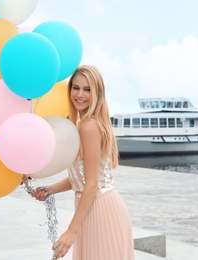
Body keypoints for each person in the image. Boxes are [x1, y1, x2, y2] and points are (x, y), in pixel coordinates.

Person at [32, 65, 135, 259]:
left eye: (87, 89)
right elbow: (81, 177)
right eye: (76, 88)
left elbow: (92, 184)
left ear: (97, 93)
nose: (80, 94)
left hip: (101, 209)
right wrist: (51, 189)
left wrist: (71, 231)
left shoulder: (88, 126)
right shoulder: (83, 124)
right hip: (90, 207)